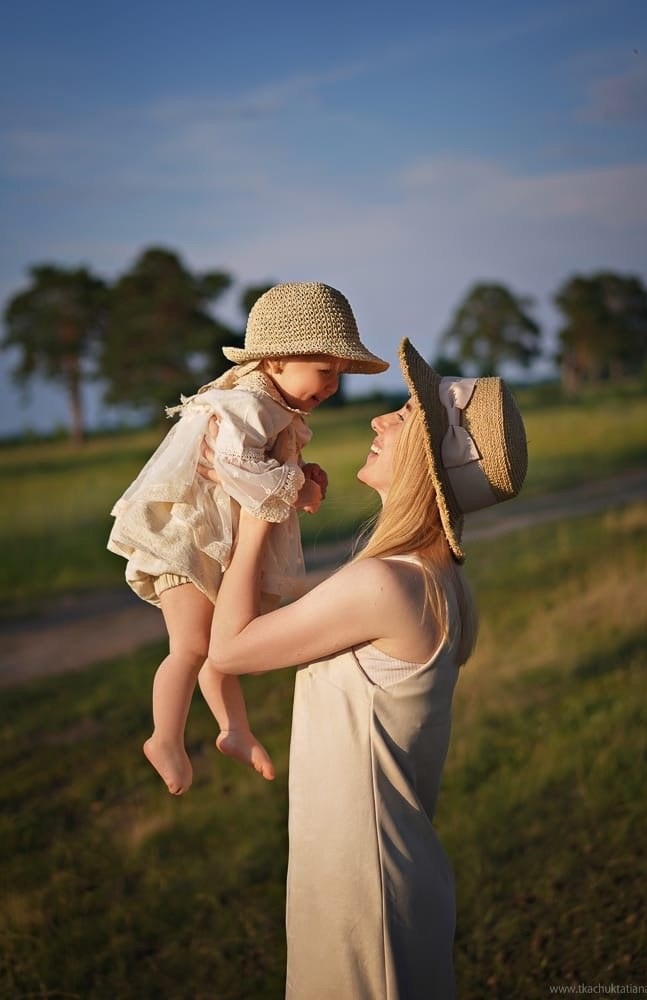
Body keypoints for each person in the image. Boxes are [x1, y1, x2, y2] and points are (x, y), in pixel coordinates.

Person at [199, 337, 528, 998]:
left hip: (365, 895)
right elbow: (282, 624)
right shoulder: (425, 579)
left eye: (404, 415)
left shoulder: (388, 584)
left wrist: (260, 500)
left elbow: (229, 650)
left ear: (429, 463)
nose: (380, 420)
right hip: (371, 873)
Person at [107, 281, 388, 796]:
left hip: (216, 542)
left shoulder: (274, 409)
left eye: (338, 377)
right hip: (187, 539)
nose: (332, 387)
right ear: (277, 361)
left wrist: (305, 474)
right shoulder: (246, 405)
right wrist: (294, 486)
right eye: (325, 372)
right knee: (191, 644)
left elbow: (262, 467)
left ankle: (234, 729)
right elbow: (235, 466)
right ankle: (163, 738)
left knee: (221, 646)